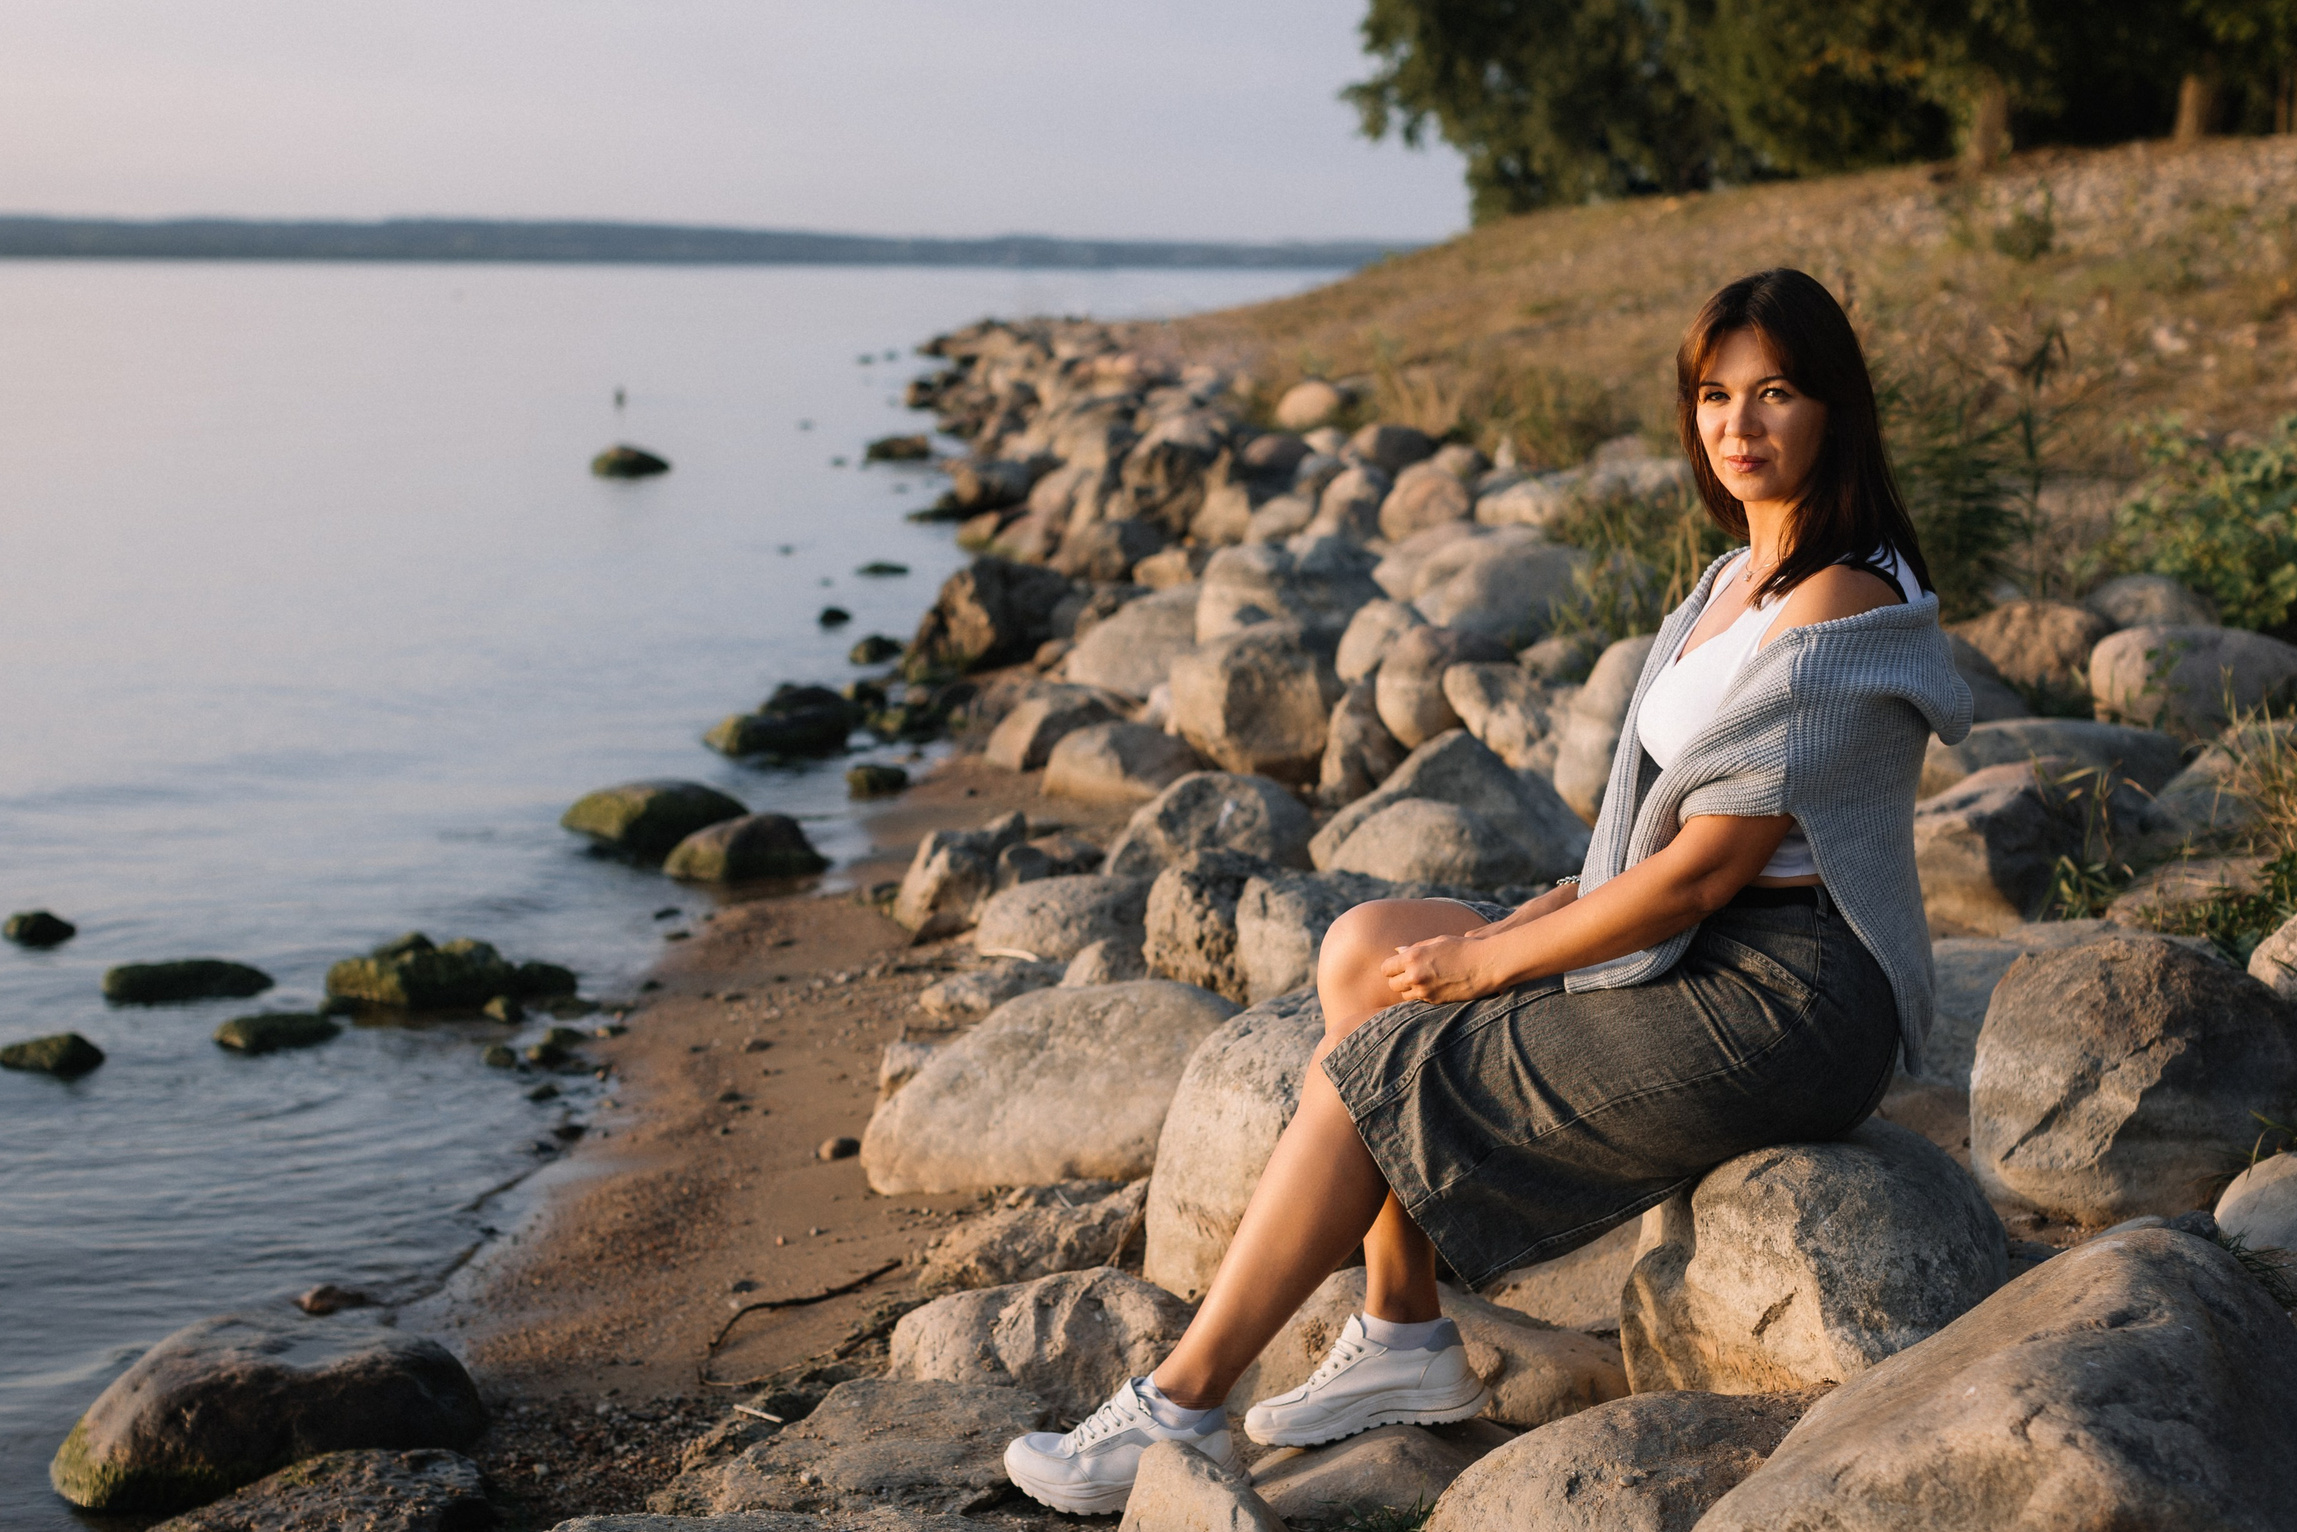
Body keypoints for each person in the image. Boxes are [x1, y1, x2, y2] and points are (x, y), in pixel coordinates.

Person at [1001, 267, 1973, 1514]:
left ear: (1834, 409)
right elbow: (1658, 827)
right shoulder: (1733, 578)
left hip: (1790, 997)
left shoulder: (1839, 603)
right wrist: (1553, 906)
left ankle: (1181, 1398)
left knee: (1383, 1063)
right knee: (1363, 949)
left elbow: (1708, 868)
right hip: (1703, 936)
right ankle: (1403, 1329)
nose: (1736, 424)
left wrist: (1497, 962)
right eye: (1713, 394)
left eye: (1774, 392)